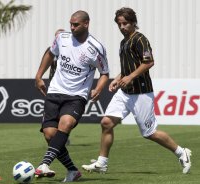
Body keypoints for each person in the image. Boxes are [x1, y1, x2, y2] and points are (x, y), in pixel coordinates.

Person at [82, 7, 192, 174]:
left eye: (125, 23)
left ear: (133, 22)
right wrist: (118, 79)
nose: (122, 27)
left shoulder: (140, 39)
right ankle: (101, 163)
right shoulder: (123, 42)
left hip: (141, 93)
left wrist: (130, 77)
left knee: (150, 133)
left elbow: (148, 62)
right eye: (119, 24)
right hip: (125, 92)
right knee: (106, 123)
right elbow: (128, 67)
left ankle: (181, 152)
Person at [35, 10, 109, 182]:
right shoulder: (62, 38)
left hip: (77, 95)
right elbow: (50, 53)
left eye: (76, 24)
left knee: (66, 124)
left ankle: (44, 163)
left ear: (86, 24)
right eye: (71, 24)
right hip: (54, 91)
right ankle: (72, 171)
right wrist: (38, 76)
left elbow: (104, 72)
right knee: (49, 134)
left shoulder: (96, 48)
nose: (72, 27)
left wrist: (98, 88)